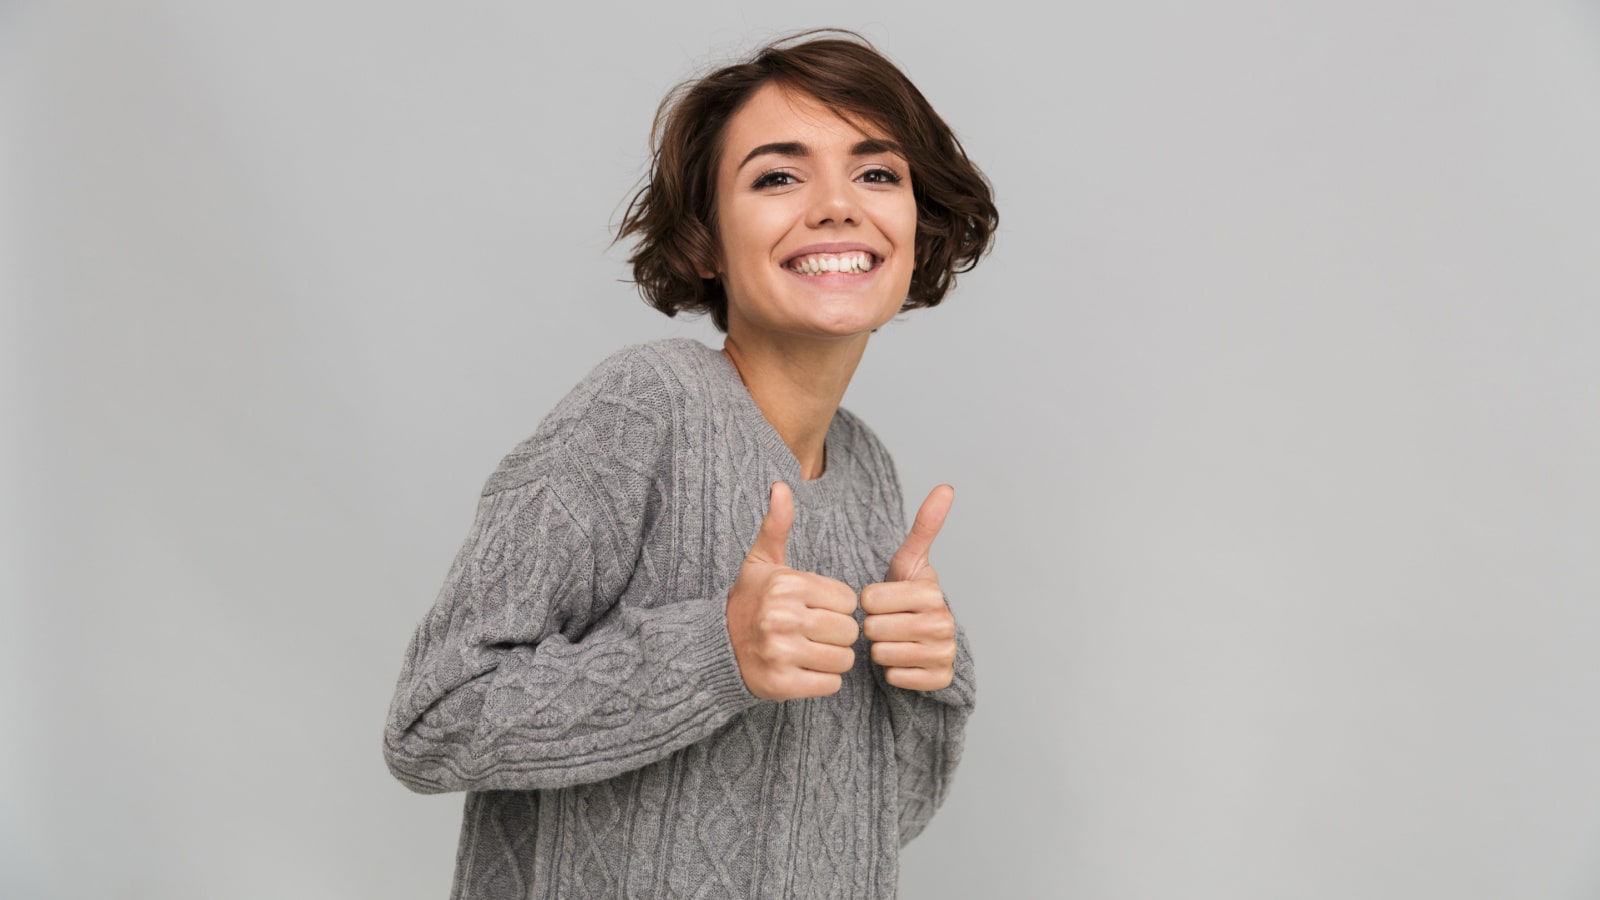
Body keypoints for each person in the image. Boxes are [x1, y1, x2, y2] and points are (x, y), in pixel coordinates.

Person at [383, 29, 998, 899]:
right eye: (778, 176)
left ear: (918, 230)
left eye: (877, 173)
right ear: (707, 242)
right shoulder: (646, 407)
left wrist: (933, 679)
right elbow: (435, 718)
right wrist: (716, 652)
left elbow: (874, 823)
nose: (836, 206)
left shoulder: (868, 471)